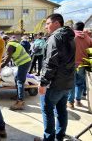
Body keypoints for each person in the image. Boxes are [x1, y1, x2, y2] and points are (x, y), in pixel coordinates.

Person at [35, 13, 75, 141]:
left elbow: (50, 63)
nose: (46, 27)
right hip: (67, 83)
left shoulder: (55, 38)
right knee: (62, 110)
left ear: (57, 23)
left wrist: (43, 84)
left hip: (55, 84)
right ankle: (59, 136)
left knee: (47, 111)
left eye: (48, 23)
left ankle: (49, 139)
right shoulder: (70, 38)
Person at [1, 37, 31, 110]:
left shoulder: (10, 45)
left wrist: (0, 66)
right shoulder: (14, 44)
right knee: (16, 78)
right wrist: (0, 60)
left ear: (4, 41)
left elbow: (8, 58)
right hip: (25, 62)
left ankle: (20, 101)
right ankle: (19, 95)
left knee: (20, 81)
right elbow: (7, 57)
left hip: (24, 63)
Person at [67, 22, 92, 109]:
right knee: (80, 83)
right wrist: (89, 66)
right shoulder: (88, 38)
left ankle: (70, 102)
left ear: (74, 28)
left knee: (71, 83)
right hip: (83, 64)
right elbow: (90, 52)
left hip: (71, 64)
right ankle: (78, 100)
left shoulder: (71, 37)